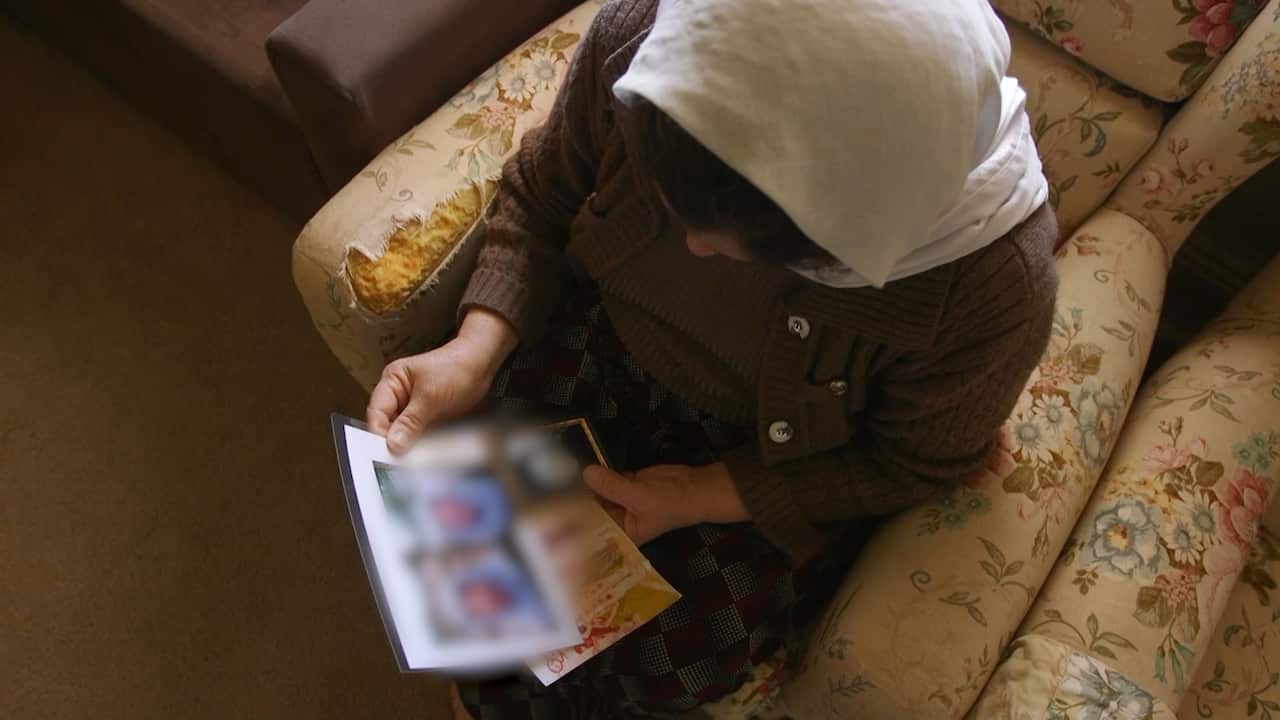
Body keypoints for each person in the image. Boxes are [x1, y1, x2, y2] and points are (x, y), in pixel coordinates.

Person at [366, 0, 1059, 716]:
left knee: (664, 656)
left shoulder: (994, 284)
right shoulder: (638, 38)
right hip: (602, 343)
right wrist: (473, 350)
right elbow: (546, 191)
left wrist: (702, 493)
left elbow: (912, 461)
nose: (695, 249)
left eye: (738, 243)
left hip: (769, 457)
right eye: (674, 209)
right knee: (452, 518)